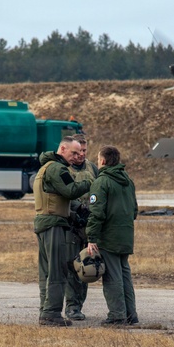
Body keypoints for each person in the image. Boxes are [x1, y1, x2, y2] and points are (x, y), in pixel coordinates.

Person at [34, 137, 92, 327]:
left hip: (45, 222)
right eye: (73, 153)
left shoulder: (46, 167)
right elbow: (70, 190)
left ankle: (45, 310)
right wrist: (91, 182)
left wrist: (75, 214)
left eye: (79, 153)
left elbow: (59, 198)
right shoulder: (57, 168)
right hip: (54, 225)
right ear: (62, 149)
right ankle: (51, 313)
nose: (77, 157)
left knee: (46, 272)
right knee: (57, 271)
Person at [86, 145, 139, 326]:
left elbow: (96, 213)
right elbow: (134, 210)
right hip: (125, 236)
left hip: (108, 237)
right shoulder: (128, 181)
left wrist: (92, 237)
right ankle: (131, 315)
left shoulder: (102, 182)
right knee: (125, 276)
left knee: (112, 278)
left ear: (102, 161)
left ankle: (117, 316)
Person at [64, 134, 98, 321]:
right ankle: (71, 306)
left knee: (86, 267)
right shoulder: (63, 168)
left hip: (88, 225)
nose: (81, 155)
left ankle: (78, 305)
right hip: (70, 225)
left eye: (84, 151)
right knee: (72, 266)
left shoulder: (92, 168)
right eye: (77, 152)